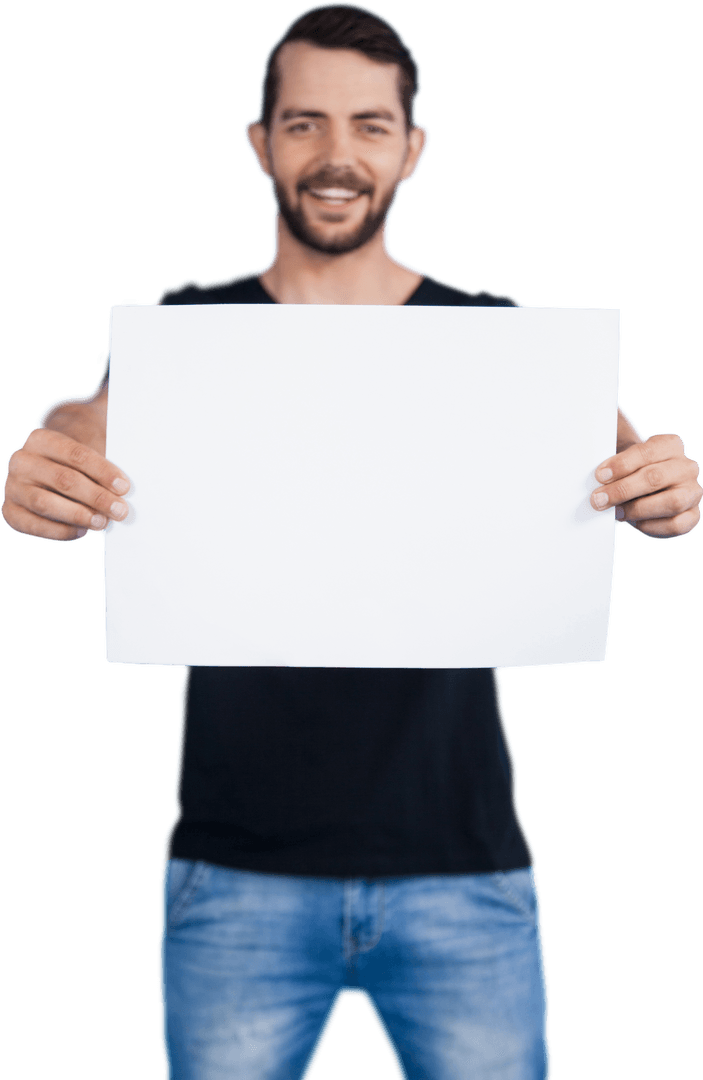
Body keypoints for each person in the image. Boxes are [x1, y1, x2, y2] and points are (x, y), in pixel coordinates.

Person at [2, 4, 701, 1079]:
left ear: (412, 149)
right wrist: (50, 448)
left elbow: (616, 455)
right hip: (233, 876)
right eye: (304, 123)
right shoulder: (188, 330)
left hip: (466, 871)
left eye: (371, 126)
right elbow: (91, 416)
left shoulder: (496, 339)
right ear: (260, 141)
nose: (337, 156)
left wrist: (659, 484)